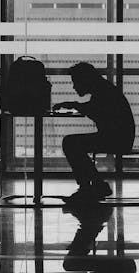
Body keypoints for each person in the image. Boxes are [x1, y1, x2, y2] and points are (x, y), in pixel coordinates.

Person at [53, 62, 134, 202]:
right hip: (119, 137)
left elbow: (93, 110)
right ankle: (95, 185)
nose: (74, 86)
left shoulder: (103, 91)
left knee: (70, 143)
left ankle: (88, 187)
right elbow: (94, 109)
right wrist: (74, 105)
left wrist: (73, 105)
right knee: (73, 143)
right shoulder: (103, 89)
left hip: (117, 139)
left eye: (75, 82)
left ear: (85, 79)